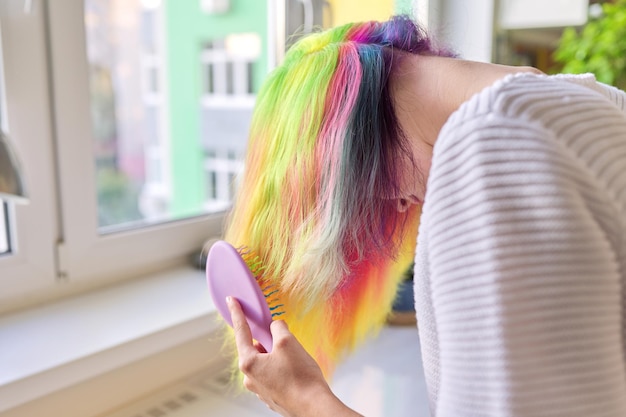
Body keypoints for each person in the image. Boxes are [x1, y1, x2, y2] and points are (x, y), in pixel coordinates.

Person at [223, 15, 626, 417]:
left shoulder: (490, 151)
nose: (399, 206)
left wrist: (307, 401)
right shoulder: (598, 101)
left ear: (349, 153)